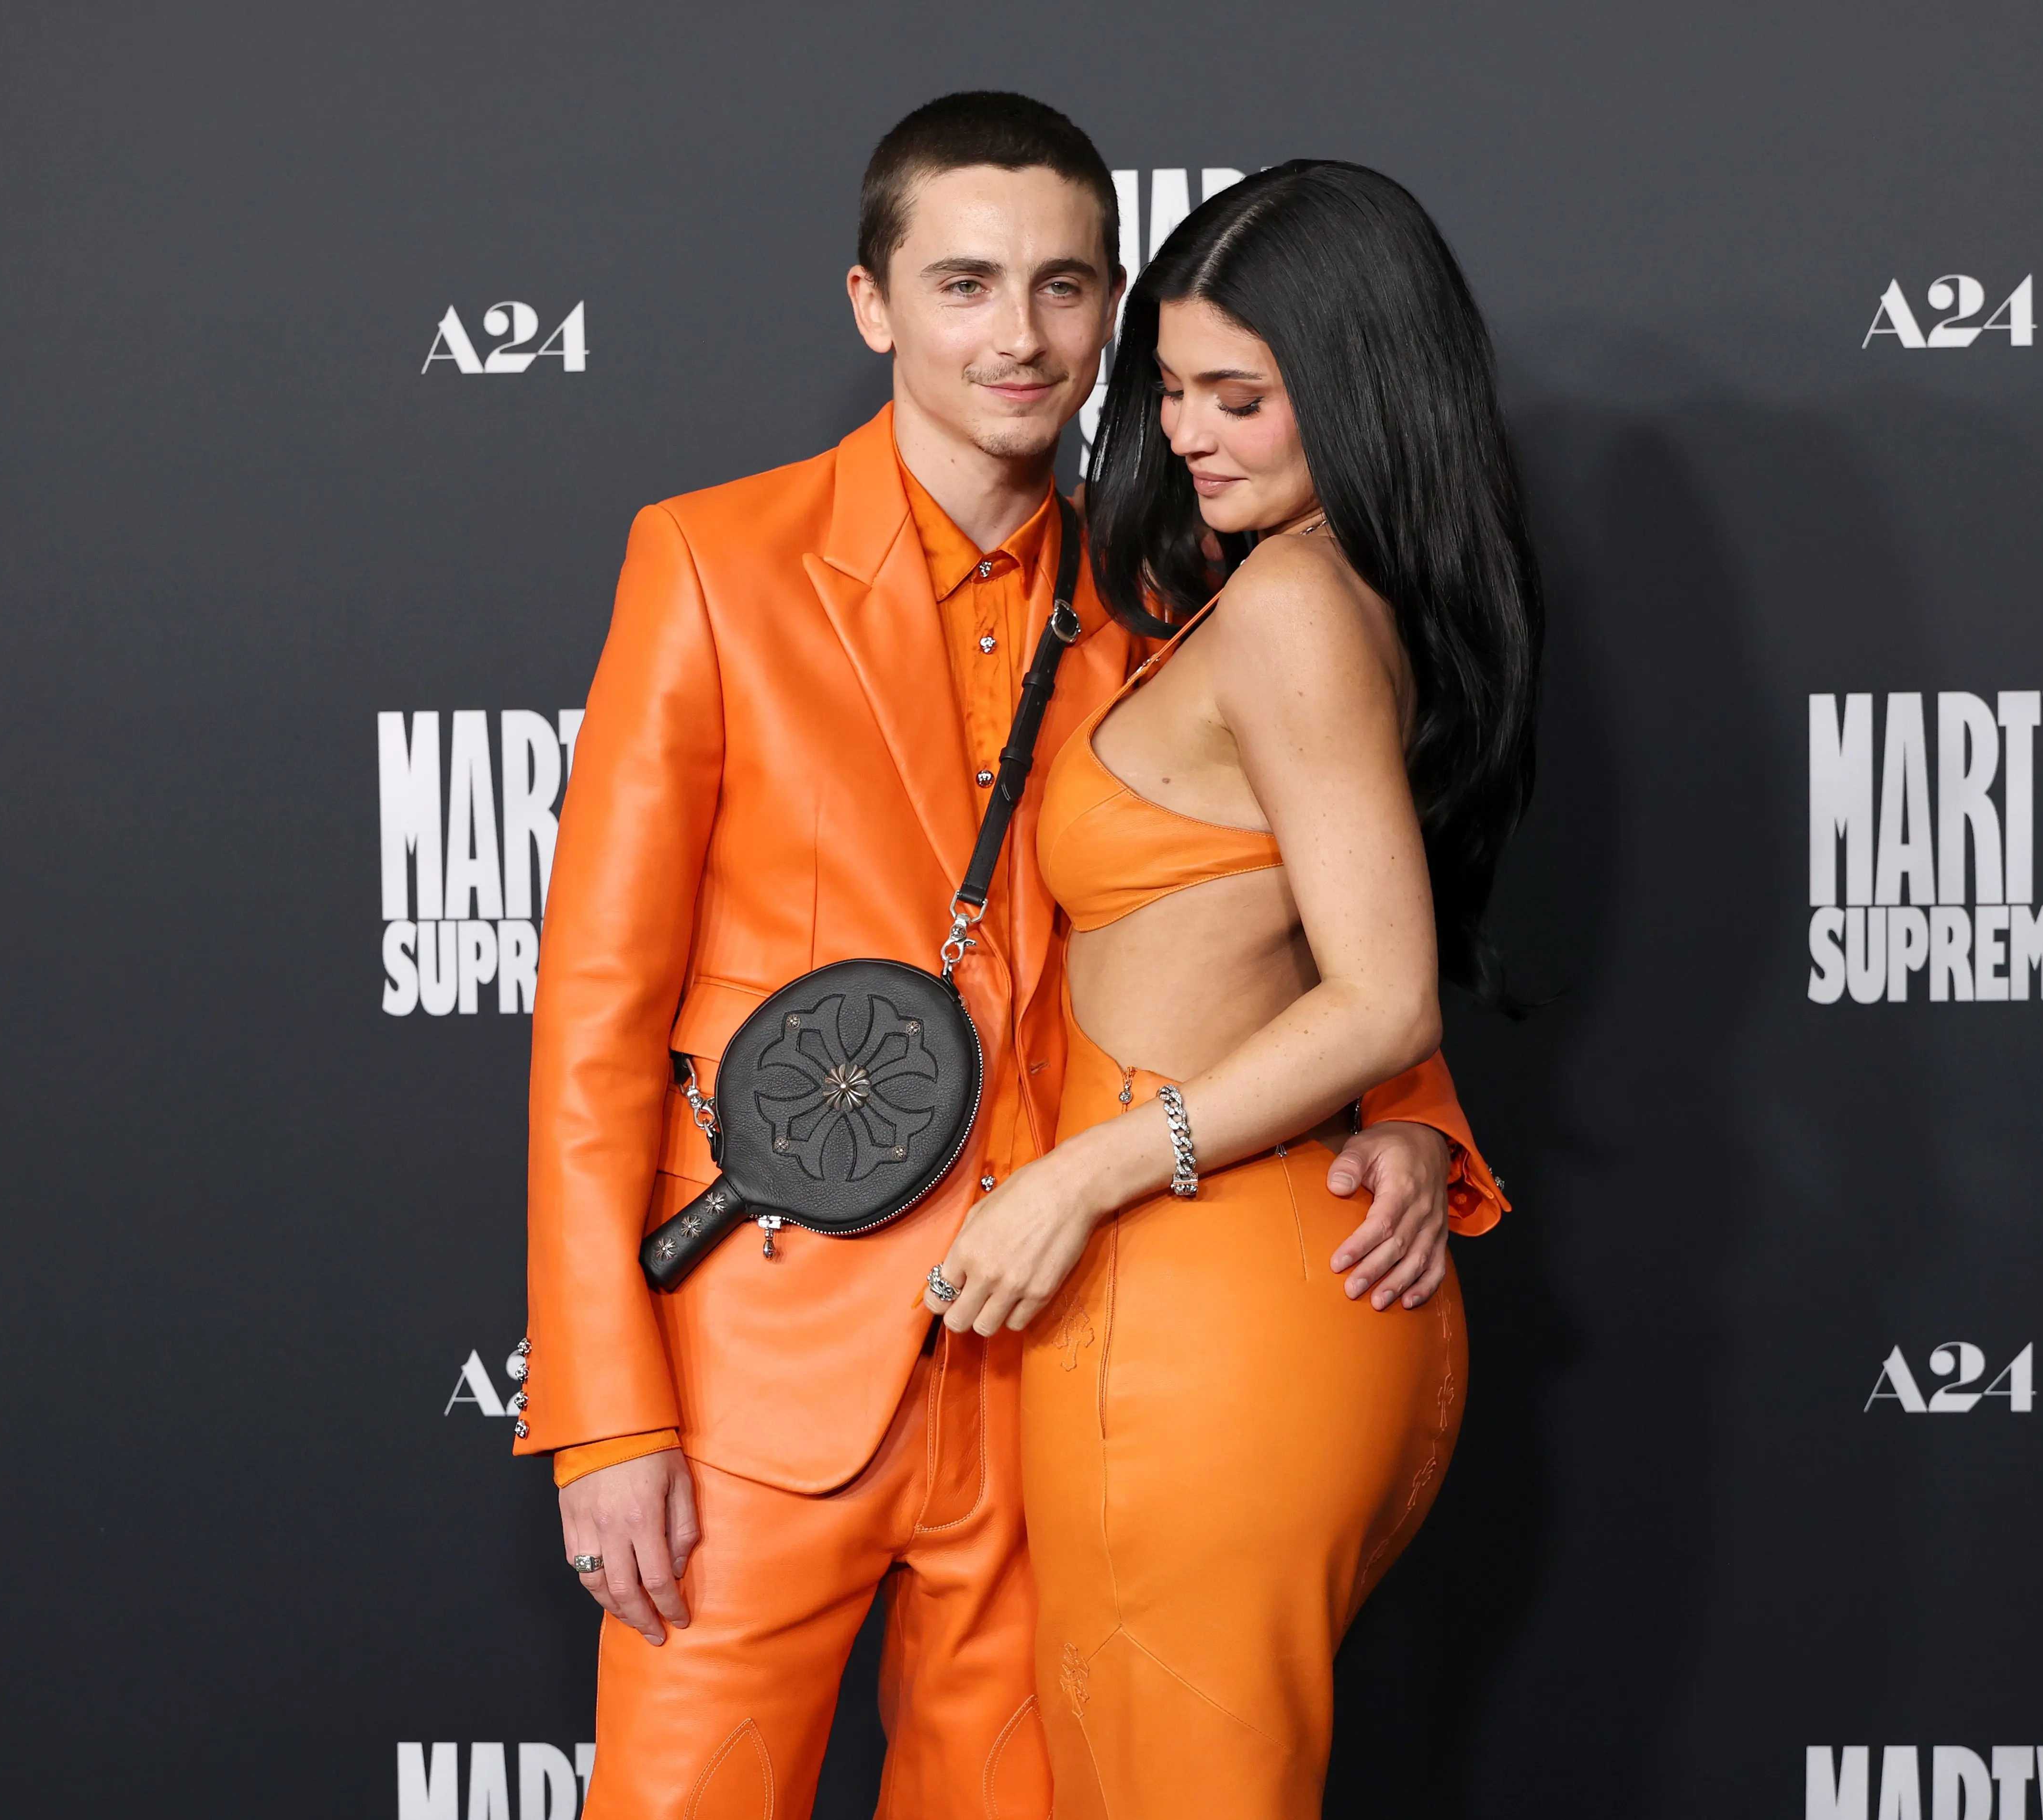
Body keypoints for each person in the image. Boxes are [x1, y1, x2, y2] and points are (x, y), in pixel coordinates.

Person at [515, 97, 1506, 1818]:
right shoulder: (711, 565)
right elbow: (594, 1023)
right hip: (763, 1375)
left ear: (1112, 308)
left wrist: (1409, 1113)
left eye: (1064, 286)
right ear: (871, 305)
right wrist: (607, 1418)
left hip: (1058, 1363)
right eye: (965, 283)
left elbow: (1262, 904)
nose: (1020, 335)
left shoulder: (1174, 584)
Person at [921, 160, 1544, 1817]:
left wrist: (1080, 1178)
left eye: (1241, 397)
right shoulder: (1304, 592)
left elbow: (1384, 997)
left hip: (1191, 1308)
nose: (1190, 434)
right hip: (1258, 1292)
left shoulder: (1288, 611)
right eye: (1173, 389)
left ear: (1359, 391)